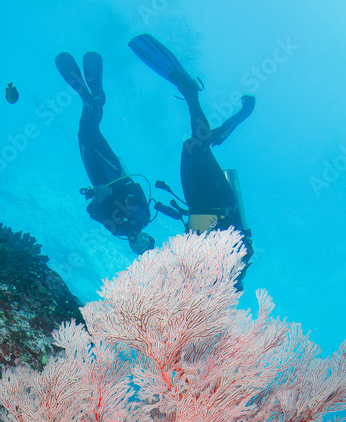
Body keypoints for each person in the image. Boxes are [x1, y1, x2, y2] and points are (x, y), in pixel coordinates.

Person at [129, 34, 255, 279]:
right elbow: (243, 250)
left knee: (191, 145)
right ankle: (192, 93)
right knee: (197, 145)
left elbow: (175, 254)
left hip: (196, 205)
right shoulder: (232, 270)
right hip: (219, 202)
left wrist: (148, 247)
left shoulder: (193, 272)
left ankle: (197, 102)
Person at [55, 51, 155, 255]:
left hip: (96, 179)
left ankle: (87, 98)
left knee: (83, 135)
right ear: (147, 237)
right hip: (115, 176)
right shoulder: (143, 217)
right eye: (144, 242)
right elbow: (135, 189)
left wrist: (96, 198)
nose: (139, 243)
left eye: (137, 248)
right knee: (91, 132)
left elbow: (93, 212)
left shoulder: (116, 230)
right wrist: (113, 193)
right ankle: (98, 99)